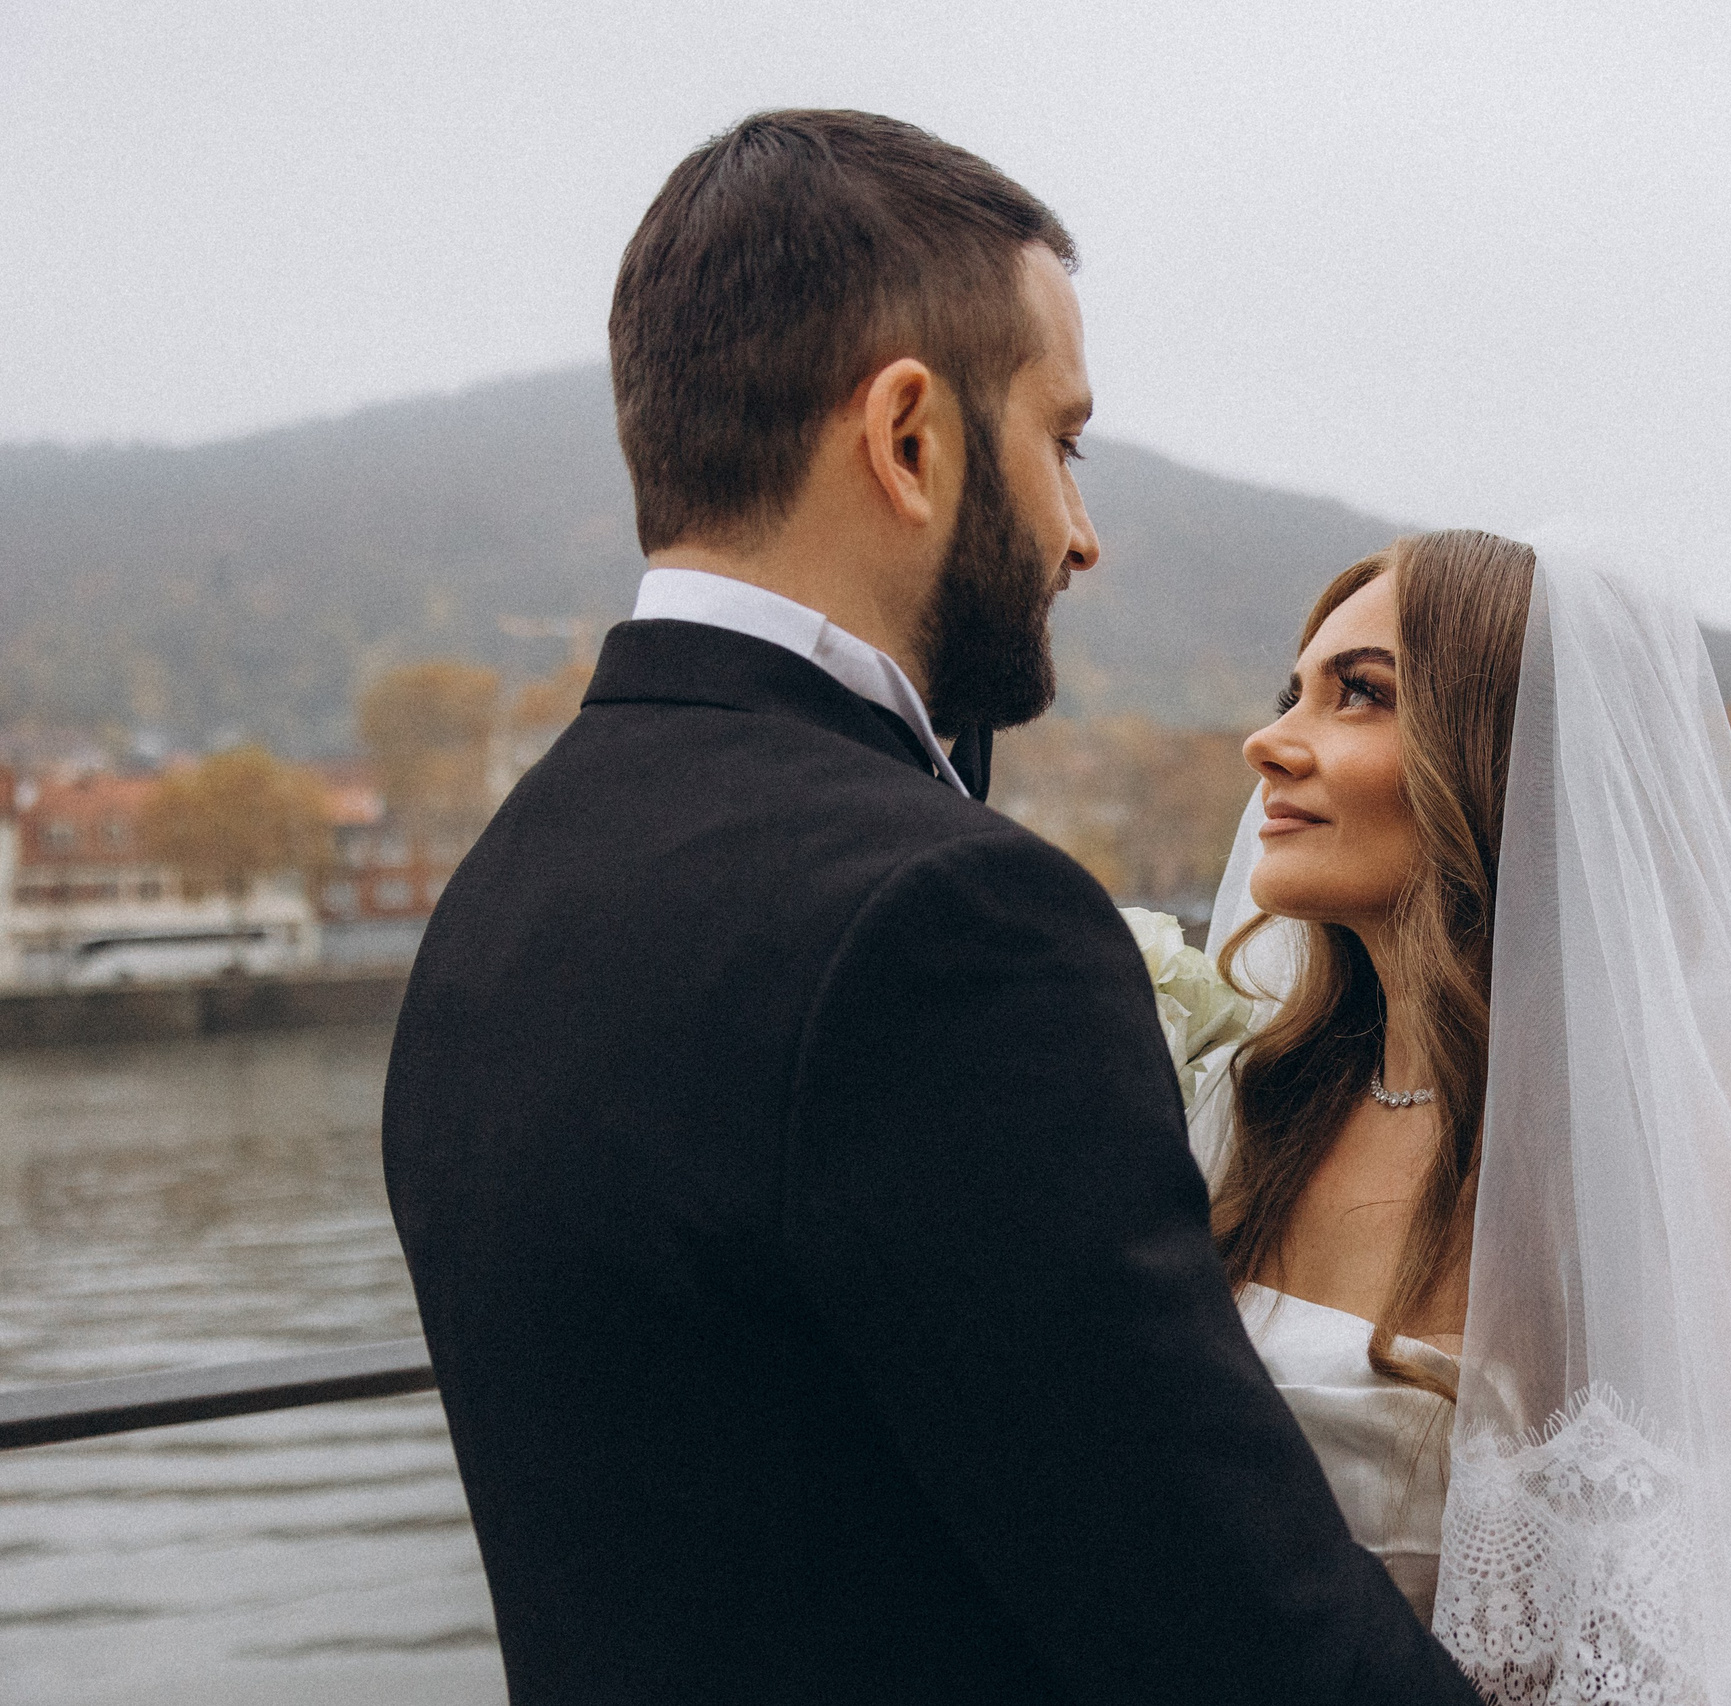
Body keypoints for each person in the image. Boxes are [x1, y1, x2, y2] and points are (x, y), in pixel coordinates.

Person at [381, 111, 1479, 1705]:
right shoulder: (944, 926)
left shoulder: (508, 890)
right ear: (910, 438)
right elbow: (1241, 1640)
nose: (1080, 533)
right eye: (1062, 440)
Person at [1187, 530, 1731, 1702]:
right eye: (1293, 693)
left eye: (1358, 694)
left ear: (1508, 760)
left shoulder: (1675, 1181)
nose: (1270, 741)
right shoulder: (1245, 1109)